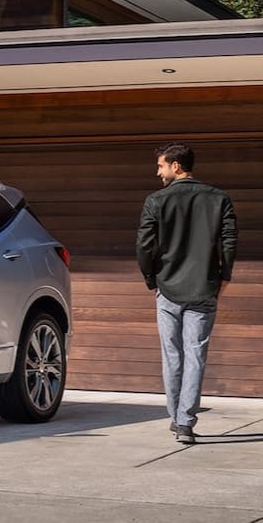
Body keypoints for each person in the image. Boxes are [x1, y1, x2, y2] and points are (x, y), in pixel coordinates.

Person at [137, 142, 237, 444]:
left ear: (176, 166)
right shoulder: (220, 199)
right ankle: (185, 422)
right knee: (196, 355)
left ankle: (176, 416)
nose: (158, 172)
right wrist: (225, 277)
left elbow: (144, 245)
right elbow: (229, 240)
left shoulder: (156, 201)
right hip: (204, 287)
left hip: (168, 288)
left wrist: (151, 278)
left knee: (172, 356)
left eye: (161, 166)